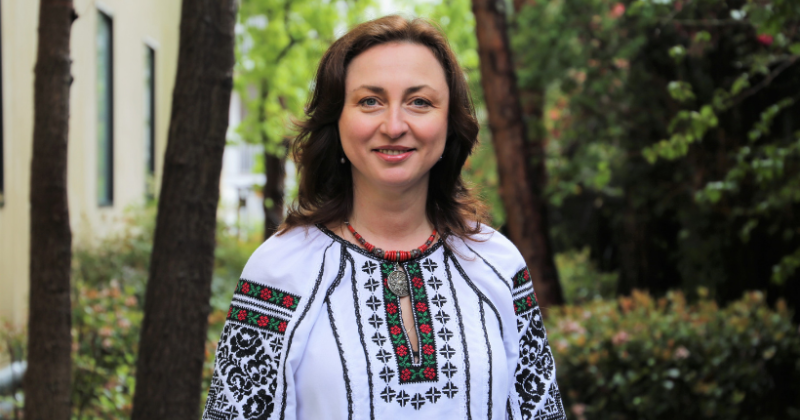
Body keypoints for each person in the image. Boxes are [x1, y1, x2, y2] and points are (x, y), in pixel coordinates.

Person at [202, 15, 566, 420]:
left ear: (450, 123)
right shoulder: (279, 270)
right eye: (369, 101)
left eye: (420, 102)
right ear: (336, 120)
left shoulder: (497, 264)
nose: (394, 125)